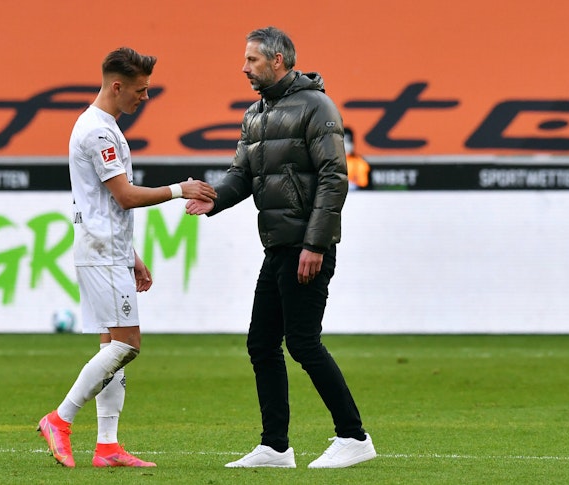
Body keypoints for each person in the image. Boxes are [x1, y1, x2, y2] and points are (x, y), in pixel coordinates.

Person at [186, 27, 376, 469]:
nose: (244, 67)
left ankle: (354, 436)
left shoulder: (317, 106)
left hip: (307, 247)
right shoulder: (255, 115)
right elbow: (241, 176)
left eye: (252, 60)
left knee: (304, 343)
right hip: (277, 246)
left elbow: (334, 177)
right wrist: (212, 198)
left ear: (278, 60)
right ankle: (275, 447)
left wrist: (316, 243)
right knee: (261, 343)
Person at [37, 47, 217, 469]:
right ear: (117, 86)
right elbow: (124, 196)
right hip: (101, 253)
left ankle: (107, 447)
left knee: (111, 345)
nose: (145, 97)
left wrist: (130, 253)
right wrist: (180, 189)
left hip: (107, 249)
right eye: (141, 89)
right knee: (127, 344)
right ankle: (59, 419)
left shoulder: (102, 127)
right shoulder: (98, 132)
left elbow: (105, 202)